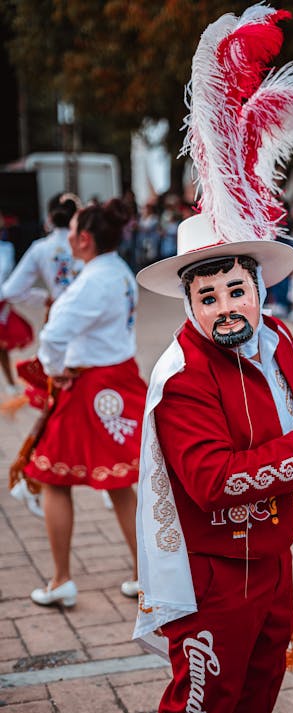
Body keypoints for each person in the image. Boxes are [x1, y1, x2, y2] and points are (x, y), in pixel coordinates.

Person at [133, 6, 293, 713]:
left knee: (259, 698)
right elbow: (212, 480)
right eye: (207, 295)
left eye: (236, 290)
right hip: (213, 574)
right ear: (189, 301)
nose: (226, 307)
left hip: (272, 556)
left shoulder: (278, 335)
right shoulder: (183, 375)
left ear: (260, 288)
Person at [22, 198, 147, 606]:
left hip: (92, 386)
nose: (68, 236)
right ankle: (143, 573)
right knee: (121, 482)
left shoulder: (95, 279)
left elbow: (53, 335)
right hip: (118, 379)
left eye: (73, 229)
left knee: (54, 477)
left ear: (85, 239)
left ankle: (61, 580)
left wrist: (54, 369)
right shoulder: (119, 272)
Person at [0, 230, 34, 393]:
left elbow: (13, 279)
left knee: (2, 345)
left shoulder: (7, 248)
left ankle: (10, 382)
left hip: (2, 300)